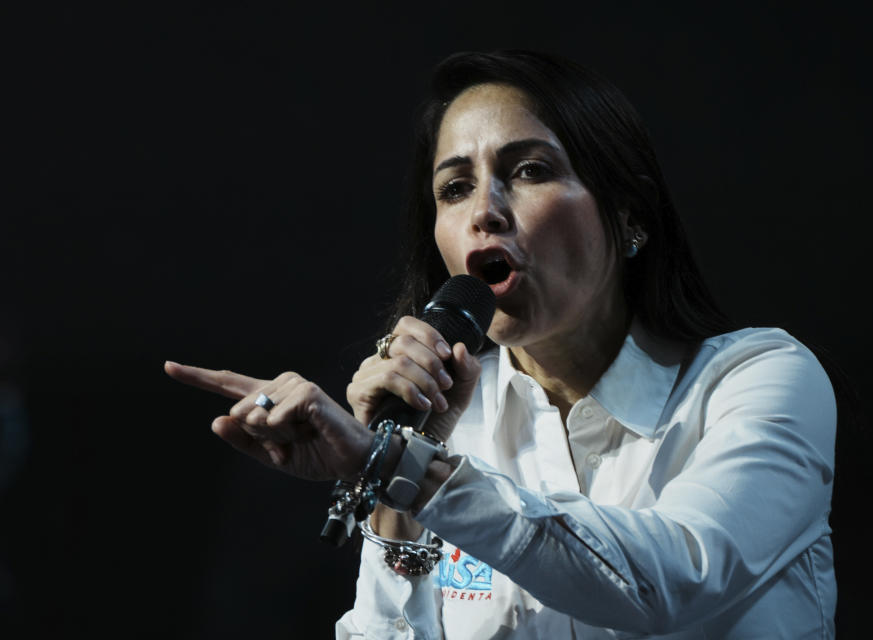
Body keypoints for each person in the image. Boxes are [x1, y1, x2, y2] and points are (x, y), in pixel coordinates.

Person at [166, 50, 837, 638]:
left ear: (629, 215)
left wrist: (410, 474)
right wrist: (393, 481)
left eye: (528, 170)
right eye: (454, 188)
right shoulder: (445, 426)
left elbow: (669, 581)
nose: (484, 209)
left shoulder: (758, 381)